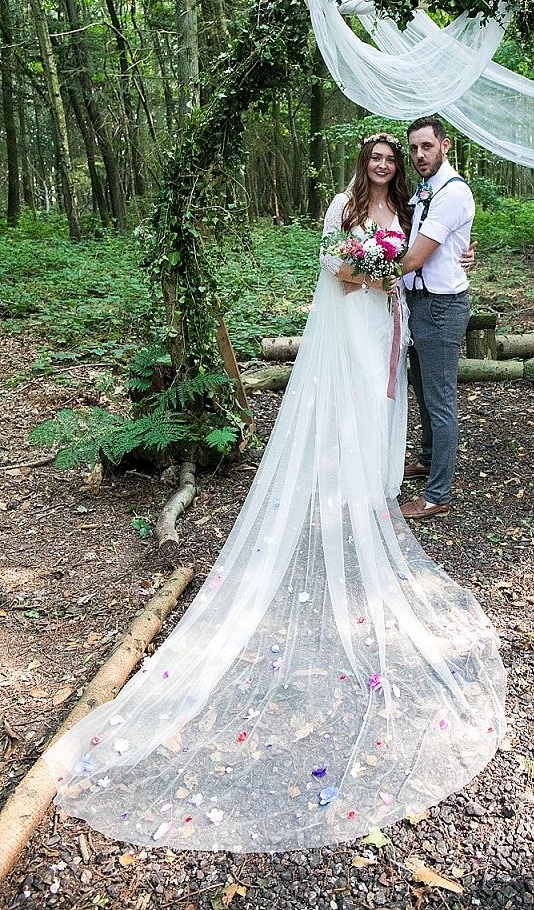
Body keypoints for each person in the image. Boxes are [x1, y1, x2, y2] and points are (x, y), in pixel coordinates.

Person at [43, 132, 505, 856]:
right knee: (349, 404)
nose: (389, 165)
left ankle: (374, 485)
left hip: (391, 319)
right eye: (381, 157)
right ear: (367, 163)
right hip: (353, 319)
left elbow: (432, 255)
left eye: (399, 155)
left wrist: (423, 267)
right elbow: (334, 267)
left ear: (415, 159)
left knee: (385, 407)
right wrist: (371, 270)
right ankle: (336, 488)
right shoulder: (345, 204)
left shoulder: (416, 203)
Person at [399, 117, 475, 520]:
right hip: (419, 302)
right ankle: (429, 458)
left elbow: (415, 257)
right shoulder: (425, 188)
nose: (419, 155)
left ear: (444, 146)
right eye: (413, 148)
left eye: (426, 146)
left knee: (441, 399)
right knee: (423, 389)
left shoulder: (452, 192)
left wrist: (363, 271)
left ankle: (437, 495)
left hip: (442, 307)